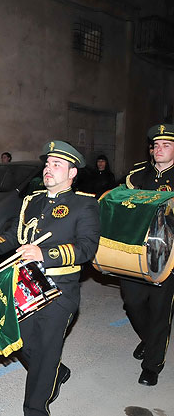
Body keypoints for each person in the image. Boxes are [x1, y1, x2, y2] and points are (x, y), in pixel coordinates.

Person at [0, 140, 99, 416]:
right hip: (25, 284)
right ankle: (56, 371)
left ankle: (35, 408)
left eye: (57, 164)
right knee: (19, 341)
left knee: (44, 350)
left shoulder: (84, 205)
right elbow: (12, 235)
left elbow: (87, 248)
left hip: (60, 290)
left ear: (72, 172)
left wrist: (44, 253)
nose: (48, 169)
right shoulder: (32, 201)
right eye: (47, 164)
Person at [122, 123, 174, 386]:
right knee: (132, 302)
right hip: (135, 250)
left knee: (160, 310)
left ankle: (152, 365)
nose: (159, 149)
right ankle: (149, 338)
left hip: (168, 254)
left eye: (166, 145)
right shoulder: (136, 175)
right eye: (156, 145)